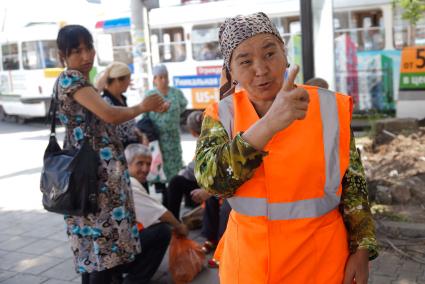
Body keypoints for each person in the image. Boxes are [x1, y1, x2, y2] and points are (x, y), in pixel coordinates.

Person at [194, 12, 378, 284]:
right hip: (249, 265)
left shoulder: (329, 108)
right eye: (245, 61)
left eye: (270, 54)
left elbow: (353, 183)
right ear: (230, 71)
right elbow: (213, 181)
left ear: (284, 53)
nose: (261, 69)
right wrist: (268, 125)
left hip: (321, 262)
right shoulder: (222, 115)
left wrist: (362, 247)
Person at [54, 25, 168, 284]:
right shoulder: (72, 79)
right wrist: (143, 106)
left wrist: (149, 112)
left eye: (89, 48)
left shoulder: (83, 82)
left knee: (97, 255)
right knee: (102, 256)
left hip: (99, 179)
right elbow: (109, 114)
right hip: (95, 181)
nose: (86, 56)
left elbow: (106, 125)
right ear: (63, 55)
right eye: (77, 51)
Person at [123, 143, 189, 283]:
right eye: (139, 164)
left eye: (148, 164)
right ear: (127, 164)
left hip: (111, 251)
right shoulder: (129, 183)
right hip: (116, 254)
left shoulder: (122, 178)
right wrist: (180, 227)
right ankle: (135, 279)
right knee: (163, 231)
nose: (145, 169)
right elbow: (161, 213)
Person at [145, 64, 188, 205]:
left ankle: (173, 195)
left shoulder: (176, 93)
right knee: (160, 169)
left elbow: (182, 106)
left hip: (173, 138)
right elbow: (144, 116)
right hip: (158, 140)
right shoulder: (150, 95)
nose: (164, 80)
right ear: (155, 79)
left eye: (166, 77)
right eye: (160, 77)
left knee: (174, 168)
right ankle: (164, 198)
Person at [97, 61, 149, 148]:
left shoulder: (122, 99)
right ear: (118, 80)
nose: (129, 83)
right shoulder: (106, 102)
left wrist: (138, 133)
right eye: (128, 79)